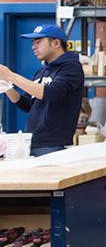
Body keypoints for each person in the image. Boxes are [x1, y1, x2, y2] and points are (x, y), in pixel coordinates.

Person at [0, 24, 84, 157]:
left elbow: (51, 94)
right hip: (32, 142)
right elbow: (27, 105)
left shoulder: (71, 68)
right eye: (33, 42)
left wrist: (11, 75)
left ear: (56, 43)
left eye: (38, 42)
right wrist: (6, 86)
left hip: (54, 144)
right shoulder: (42, 71)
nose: (33, 47)